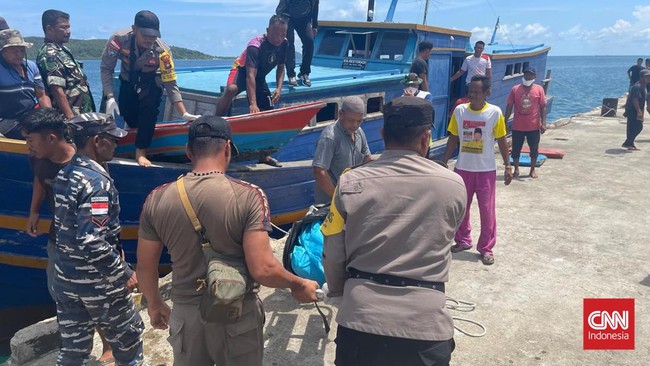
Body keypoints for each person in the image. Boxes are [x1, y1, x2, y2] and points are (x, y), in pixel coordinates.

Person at [137, 115, 319, 366]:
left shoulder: (156, 199)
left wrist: (155, 304)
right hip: (236, 316)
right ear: (227, 148)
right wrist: (298, 284)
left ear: (189, 151)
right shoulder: (249, 196)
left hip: (186, 318)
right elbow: (264, 269)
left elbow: (146, 266)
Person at [321, 96, 467, 366]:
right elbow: (445, 237)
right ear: (426, 138)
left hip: (360, 318)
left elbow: (332, 251)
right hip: (425, 325)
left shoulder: (349, 182)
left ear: (382, 134)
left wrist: (341, 291)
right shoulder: (454, 185)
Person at [20, 108, 117, 365]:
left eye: (31, 140)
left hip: (87, 241)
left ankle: (108, 345)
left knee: (98, 297)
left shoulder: (86, 164)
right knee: (61, 293)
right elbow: (40, 180)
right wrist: (33, 212)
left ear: (52, 138)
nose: (29, 146)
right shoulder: (39, 157)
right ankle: (74, 345)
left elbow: (100, 207)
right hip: (58, 240)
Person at [52, 112, 143, 366]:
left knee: (73, 351)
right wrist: (124, 273)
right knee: (129, 344)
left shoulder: (65, 173)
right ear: (96, 141)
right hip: (98, 283)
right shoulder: (97, 184)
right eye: (111, 139)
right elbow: (92, 241)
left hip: (66, 279)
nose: (116, 144)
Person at [100, 10, 198, 167]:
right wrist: (110, 96)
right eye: (145, 35)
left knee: (149, 109)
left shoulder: (162, 51)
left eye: (153, 36)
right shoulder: (119, 40)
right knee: (128, 114)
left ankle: (141, 151)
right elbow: (106, 68)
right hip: (127, 81)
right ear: (134, 28)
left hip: (150, 82)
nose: (149, 39)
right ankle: (130, 138)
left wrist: (183, 112)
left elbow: (170, 82)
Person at [442, 75, 513, 265]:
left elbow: (502, 140)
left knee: (487, 211)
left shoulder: (495, 113)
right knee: (461, 209)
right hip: (462, 169)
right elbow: (453, 137)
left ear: (487, 93)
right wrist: (444, 161)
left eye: (476, 91)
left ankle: (486, 248)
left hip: (486, 171)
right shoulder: (459, 111)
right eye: (470, 91)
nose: (471, 95)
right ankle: (463, 240)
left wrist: (507, 165)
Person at [216, 15, 289, 166]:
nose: (279, 38)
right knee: (231, 89)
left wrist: (279, 88)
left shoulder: (285, 44)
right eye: (276, 34)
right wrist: (252, 103)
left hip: (260, 76)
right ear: (267, 30)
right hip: (242, 71)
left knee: (268, 113)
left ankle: (264, 155)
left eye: (283, 34)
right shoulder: (255, 45)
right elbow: (250, 75)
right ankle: (215, 122)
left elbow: (281, 68)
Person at [36, 10, 95, 120]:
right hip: (70, 117)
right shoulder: (49, 54)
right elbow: (57, 89)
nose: (68, 31)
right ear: (49, 29)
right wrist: (70, 117)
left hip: (82, 114)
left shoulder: (63, 50)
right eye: (63, 27)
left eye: (68, 27)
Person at [312, 96, 372, 204]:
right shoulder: (330, 136)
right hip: (330, 202)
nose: (355, 125)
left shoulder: (359, 132)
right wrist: (337, 199)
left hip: (351, 198)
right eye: (351, 120)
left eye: (359, 121)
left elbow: (367, 158)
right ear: (341, 114)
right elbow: (319, 172)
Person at [0, 29, 51, 139]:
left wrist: (50, 117)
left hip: (29, 117)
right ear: (3, 51)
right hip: (6, 120)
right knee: (36, 138)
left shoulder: (31, 66)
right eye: (14, 51)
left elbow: (42, 96)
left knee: (56, 133)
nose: (19, 55)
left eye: (22, 50)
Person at [503, 67, 547, 178]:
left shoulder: (539, 89)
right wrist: (505, 122)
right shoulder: (515, 89)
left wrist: (543, 123)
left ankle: (532, 170)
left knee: (534, 149)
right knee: (516, 150)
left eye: (530, 75)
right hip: (518, 126)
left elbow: (543, 107)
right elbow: (509, 106)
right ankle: (516, 169)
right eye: (526, 74)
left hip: (533, 126)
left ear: (534, 77)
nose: (528, 77)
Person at [276, 0, 319, 87]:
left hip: (304, 18)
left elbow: (315, 5)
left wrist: (315, 25)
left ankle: (304, 73)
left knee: (309, 42)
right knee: (289, 43)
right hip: (287, 15)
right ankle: (291, 74)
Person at [622, 68, 649, 150]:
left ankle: (630, 143)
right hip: (633, 109)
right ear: (642, 77)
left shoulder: (643, 86)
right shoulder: (637, 86)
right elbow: (634, 99)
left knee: (635, 126)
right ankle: (628, 143)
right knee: (637, 126)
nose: (649, 78)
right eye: (647, 76)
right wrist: (638, 111)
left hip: (637, 109)